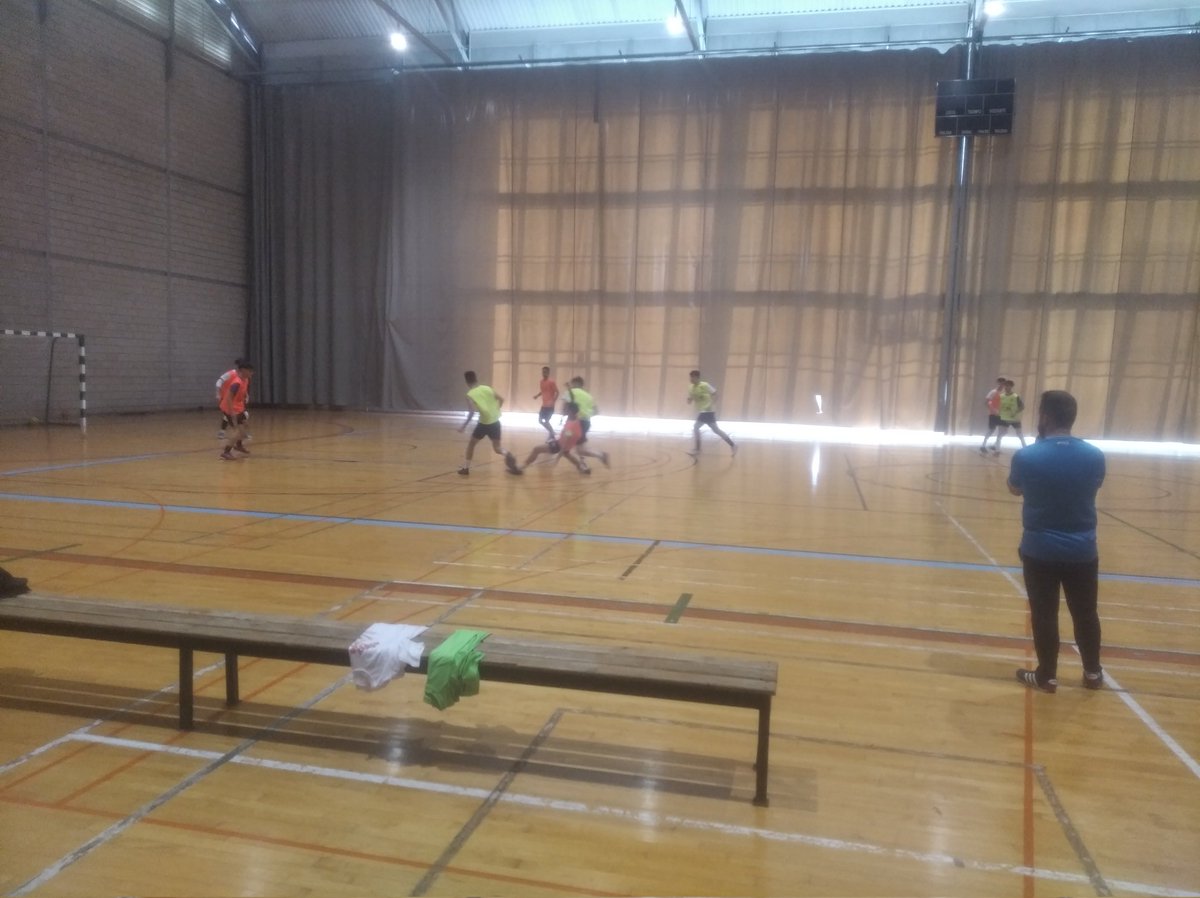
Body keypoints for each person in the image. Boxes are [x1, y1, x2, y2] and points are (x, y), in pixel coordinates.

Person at [1007, 390, 1106, 693]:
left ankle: (1047, 675)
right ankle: (1092, 673)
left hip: (1040, 550)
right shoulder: (1094, 455)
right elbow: (1094, 485)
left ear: (1045, 417)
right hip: (1082, 550)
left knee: (1044, 613)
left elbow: (1014, 488)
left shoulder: (1027, 456)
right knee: (1086, 612)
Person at [506, 402, 591, 475]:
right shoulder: (576, 419)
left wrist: (557, 458)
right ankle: (583, 468)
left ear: (570, 411)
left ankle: (520, 468)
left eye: (566, 409)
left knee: (536, 449)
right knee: (567, 454)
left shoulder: (570, 427)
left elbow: (565, 442)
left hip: (559, 445)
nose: (563, 410)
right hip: (567, 445)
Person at [457, 371, 516, 476]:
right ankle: (507, 453)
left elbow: (471, 413)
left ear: (466, 381)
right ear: (476, 378)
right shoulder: (487, 388)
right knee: (497, 448)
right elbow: (501, 399)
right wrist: (496, 410)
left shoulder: (470, 394)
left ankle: (466, 468)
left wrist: (463, 426)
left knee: (471, 444)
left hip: (484, 423)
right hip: (495, 422)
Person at [686, 370, 736, 456]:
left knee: (696, 427)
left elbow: (715, 394)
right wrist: (689, 400)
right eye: (690, 377)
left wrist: (711, 403)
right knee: (716, 430)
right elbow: (691, 397)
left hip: (707, 411)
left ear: (697, 377)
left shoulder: (705, 385)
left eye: (692, 377)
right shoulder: (690, 387)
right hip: (702, 411)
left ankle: (698, 449)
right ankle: (733, 445)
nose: (691, 379)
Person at [566, 376, 610, 468]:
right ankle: (583, 464)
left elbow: (566, 408)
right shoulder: (588, 396)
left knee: (578, 448)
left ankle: (601, 455)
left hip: (576, 423)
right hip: (586, 423)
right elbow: (596, 411)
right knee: (579, 446)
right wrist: (586, 415)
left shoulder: (571, 392)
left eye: (573, 383)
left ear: (576, 383)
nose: (572, 385)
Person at [218, 360, 254, 460]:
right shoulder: (236, 383)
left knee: (245, 427)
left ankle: (238, 445)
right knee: (237, 431)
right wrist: (232, 412)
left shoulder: (245, 380)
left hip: (238, 408)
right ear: (243, 370)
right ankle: (226, 452)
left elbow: (242, 392)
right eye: (250, 371)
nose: (252, 373)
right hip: (230, 408)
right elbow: (229, 398)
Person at [991, 379, 1027, 453]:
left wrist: (1015, 412)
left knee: (1019, 433)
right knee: (1001, 433)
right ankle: (997, 450)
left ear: (1011, 387)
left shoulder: (1015, 396)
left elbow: (1022, 407)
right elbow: (997, 405)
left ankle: (1025, 448)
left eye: (1008, 386)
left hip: (1014, 418)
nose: (1006, 387)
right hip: (1004, 418)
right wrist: (996, 412)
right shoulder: (1001, 396)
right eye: (1005, 386)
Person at [215, 358, 247, 439]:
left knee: (242, 416)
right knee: (229, 415)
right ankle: (226, 432)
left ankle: (240, 434)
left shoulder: (244, 377)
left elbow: (243, 387)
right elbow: (219, 381)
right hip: (226, 398)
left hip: (236, 400)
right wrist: (218, 393)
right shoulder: (231, 373)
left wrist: (246, 395)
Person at [979, 376, 1006, 454]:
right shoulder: (993, 392)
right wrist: (993, 410)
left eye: (1003, 384)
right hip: (993, 415)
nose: (1001, 385)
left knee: (1003, 431)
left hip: (1002, 415)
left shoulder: (1004, 393)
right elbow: (987, 402)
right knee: (991, 430)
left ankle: (995, 446)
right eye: (1000, 383)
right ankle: (983, 445)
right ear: (997, 383)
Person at [533, 366, 559, 437]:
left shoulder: (551, 382)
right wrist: (537, 396)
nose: (544, 373)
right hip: (544, 405)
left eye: (545, 372)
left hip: (550, 406)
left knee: (546, 420)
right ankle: (552, 432)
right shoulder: (541, 382)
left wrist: (554, 400)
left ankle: (552, 433)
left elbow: (557, 392)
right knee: (540, 421)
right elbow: (543, 391)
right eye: (543, 372)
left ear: (548, 373)